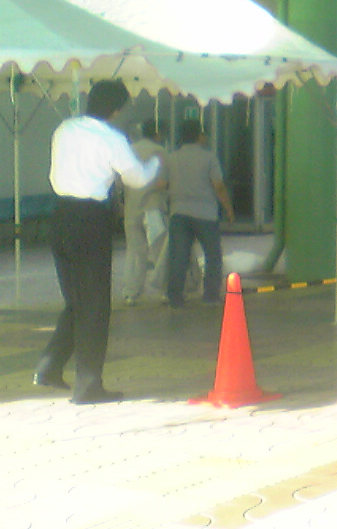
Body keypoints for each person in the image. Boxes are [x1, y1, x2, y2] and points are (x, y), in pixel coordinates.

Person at [35, 79, 161, 404]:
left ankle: (49, 368)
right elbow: (137, 178)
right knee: (93, 305)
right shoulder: (111, 138)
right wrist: (156, 163)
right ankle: (88, 386)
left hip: (59, 216)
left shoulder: (65, 129)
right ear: (116, 109)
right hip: (90, 220)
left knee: (76, 301)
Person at [165, 118, 233, 308]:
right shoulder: (209, 157)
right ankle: (210, 295)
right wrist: (229, 210)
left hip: (178, 213)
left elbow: (163, 183)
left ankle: (175, 297)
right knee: (213, 256)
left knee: (178, 257)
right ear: (199, 136)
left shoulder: (171, 158)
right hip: (205, 214)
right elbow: (219, 186)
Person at [119, 120, 168, 306]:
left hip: (131, 208)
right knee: (159, 251)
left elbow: (119, 182)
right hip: (153, 208)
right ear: (157, 134)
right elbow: (164, 181)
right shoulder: (160, 151)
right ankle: (164, 290)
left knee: (134, 251)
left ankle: (131, 292)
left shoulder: (128, 150)